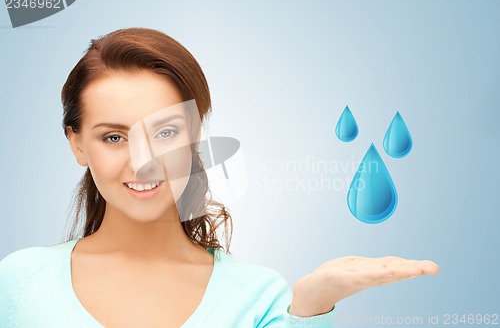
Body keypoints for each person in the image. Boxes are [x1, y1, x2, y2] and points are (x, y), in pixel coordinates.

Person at [0, 28, 439, 328]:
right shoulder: (20, 284)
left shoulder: (259, 296)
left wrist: (309, 308)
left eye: (166, 132)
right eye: (114, 137)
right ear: (76, 145)